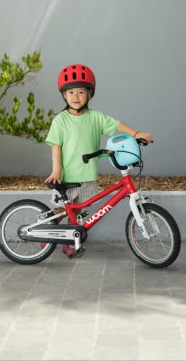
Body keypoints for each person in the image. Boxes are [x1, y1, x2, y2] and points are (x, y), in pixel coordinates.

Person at [45, 64, 153, 258]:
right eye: (71, 92)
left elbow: (116, 125)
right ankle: (48, 234)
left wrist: (136, 133)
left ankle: (70, 242)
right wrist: (56, 170)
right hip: (66, 176)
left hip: (87, 176)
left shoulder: (95, 117)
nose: (76, 97)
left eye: (81, 92)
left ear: (89, 94)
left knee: (77, 213)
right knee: (61, 211)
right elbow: (55, 145)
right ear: (64, 95)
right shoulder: (60, 120)